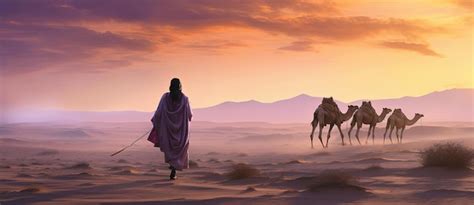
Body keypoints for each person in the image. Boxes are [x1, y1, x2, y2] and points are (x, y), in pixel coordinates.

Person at [147, 78, 192, 180]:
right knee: (178, 148)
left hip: (167, 129)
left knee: (170, 147)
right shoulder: (185, 99)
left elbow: (158, 112)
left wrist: (156, 122)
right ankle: (174, 169)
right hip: (181, 130)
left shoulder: (165, 97)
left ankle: (173, 167)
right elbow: (189, 115)